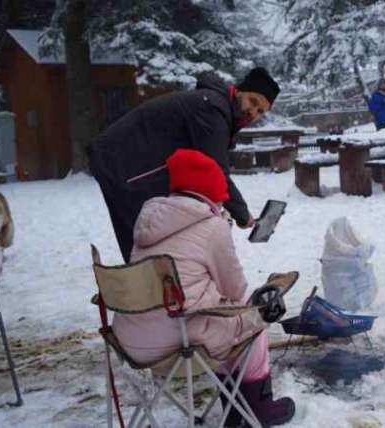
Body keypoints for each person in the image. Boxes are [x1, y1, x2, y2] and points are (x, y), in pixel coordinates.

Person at [112, 148, 295, 427]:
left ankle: (235, 408)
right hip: (183, 347)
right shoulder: (212, 227)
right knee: (254, 317)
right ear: (211, 194)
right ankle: (255, 409)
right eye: (221, 200)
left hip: (133, 345)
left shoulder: (146, 223)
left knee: (215, 318)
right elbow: (238, 293)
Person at [89, 67, 280, 262]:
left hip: (127, 159)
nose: (253, 112)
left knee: (152, 229)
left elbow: (204, 167)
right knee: (146, 230)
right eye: (253, 102)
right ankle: (148, 282)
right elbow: (217, 169)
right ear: (239, 90)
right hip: (120, 159)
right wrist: (242, 214)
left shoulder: (217, 108)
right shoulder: (213, 108)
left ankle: (154, 280)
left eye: (260, 112)